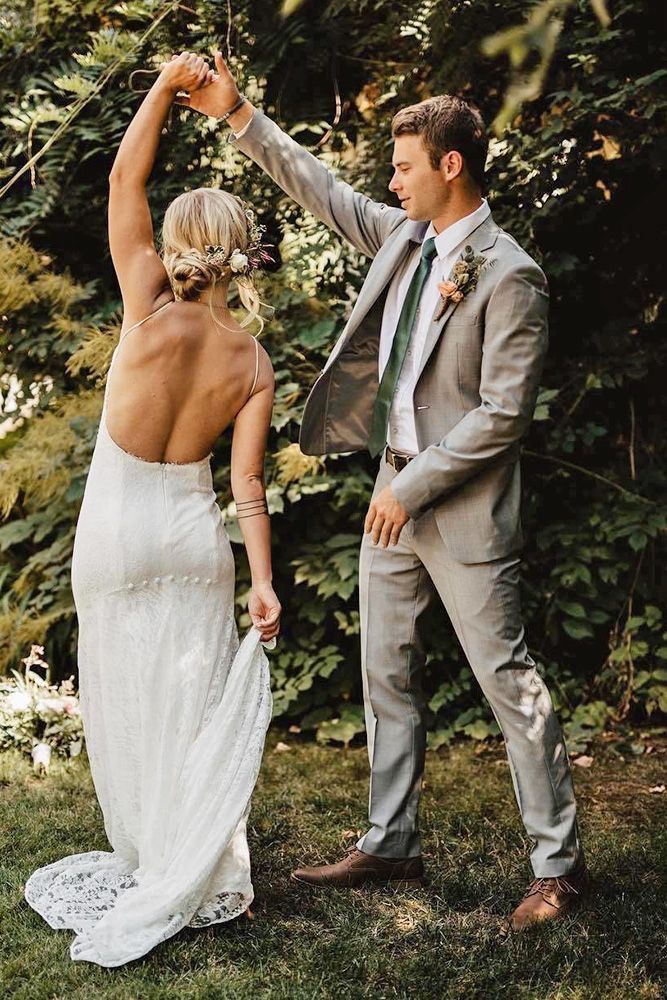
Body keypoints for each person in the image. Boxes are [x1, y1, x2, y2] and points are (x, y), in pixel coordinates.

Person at [177, 51, 589, 933]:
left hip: (458, 504)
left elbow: (503, 414)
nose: (390, 180)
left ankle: (555, 867)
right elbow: (319, 188)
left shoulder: (509, 273)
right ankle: (390, 837)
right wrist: (238, 112)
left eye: (404, 165)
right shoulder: (403, 238)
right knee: (385, 671)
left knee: (507, 681)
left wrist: (419, 485)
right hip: (389, 489)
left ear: (450, 166)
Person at [23, 52, 281, 967]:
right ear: (239, 250)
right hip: (194, 534)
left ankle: (152, 857)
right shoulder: (251, 360)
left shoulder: (143, 306)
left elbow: (124, 173)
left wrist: (166, 87)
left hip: (118, 529)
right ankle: (210, 868)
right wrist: (262, 583)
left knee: (132, 701)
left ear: (177, 246)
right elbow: (246, 487)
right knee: (197, 703)